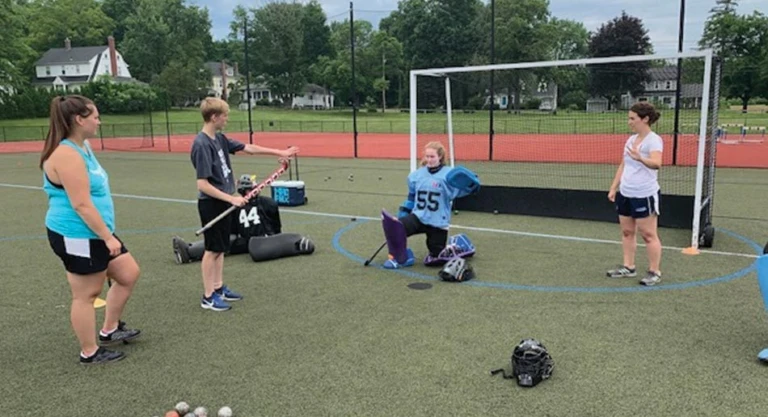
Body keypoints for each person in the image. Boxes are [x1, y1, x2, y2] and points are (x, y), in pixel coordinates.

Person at [40, 95, 141, 365]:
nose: (99, 121)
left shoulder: (83, 147)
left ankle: (109, 329)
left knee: (128, 273)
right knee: (86, 294)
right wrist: (107, 237)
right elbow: (82, 204)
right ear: (79, 120)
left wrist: (106, 233)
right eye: (95, 116)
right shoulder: (65, 155)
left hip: (96, 230)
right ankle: (90, 351)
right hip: (76, 233)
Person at [191, 97, 298, 312]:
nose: (227, 119)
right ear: (214, 117)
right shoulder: (201, 144)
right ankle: (208, 296)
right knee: (211, 250)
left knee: (221, 249)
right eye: (224, 116)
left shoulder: (219, 139)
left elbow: (248, 148)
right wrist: (231, 198)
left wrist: (280, 153)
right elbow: (202, 184)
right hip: (212, 204)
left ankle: (218, 287)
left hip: (223, 201)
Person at [384, 141, 478, 269]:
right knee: (397, 228)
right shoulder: (416, 175)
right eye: (427, 156)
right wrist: (404, 211)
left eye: (432, 156)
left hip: (438, 221)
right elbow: (412, 196)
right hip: (419, 216)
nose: (429, 159)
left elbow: (464, 191)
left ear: (440, 157)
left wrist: (471, 188)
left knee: (435, 259)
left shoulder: (450, 175)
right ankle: (403, 257)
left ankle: (459, 246)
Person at [607, 102, 664, 286]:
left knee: (648, 234)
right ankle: (628, 267)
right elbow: (624, 164)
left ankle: (654, 272)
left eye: (632, 118)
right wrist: (614, 187)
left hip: (644, 194)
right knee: (626, 232)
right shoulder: (631, 140)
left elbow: (657, 163)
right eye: (629, 118)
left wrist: (641, 158)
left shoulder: (654, 140)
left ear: (645, 119)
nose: (629, 122)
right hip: (626, 193)